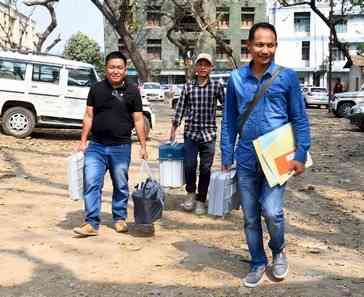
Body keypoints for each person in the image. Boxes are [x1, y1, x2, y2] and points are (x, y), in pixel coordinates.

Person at [221, 23, 311, 288]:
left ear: (276, 46)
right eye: (259, 44)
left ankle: (278, 249)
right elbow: (228, 120)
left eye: (270, 45)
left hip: (278, 154)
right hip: (247, 155)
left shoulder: (287, 77)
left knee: (272, 212)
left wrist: (301, 153)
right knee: (250, 216)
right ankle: (257, 261)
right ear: (248, 46)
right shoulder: (236, 79)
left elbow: (299, 118)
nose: (265, 50)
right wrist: (227, 154)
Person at [73, 51, 147, 237]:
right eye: (112, 67)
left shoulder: (132, 91)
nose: (115, 71)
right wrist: (83, 141)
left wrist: (143, 146)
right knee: (91, 182)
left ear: (125, 69)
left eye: (119, 67)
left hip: (121, 147)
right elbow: (89, 116)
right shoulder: (96, 89)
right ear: (106, 68)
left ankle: (120, 218)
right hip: (96, 146)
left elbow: (138, 120)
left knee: (121, 184)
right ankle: (91, 222)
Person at [170, 53, 225, 215]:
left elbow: (227, 105)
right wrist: (174, 128)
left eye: (206, 65)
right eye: (200, 64)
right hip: (191, 134)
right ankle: (190, 194)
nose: (202, 67)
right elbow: (180, 108)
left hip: (209, 134)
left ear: (211, 68)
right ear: (195, 68)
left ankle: (201, 200)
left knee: (206, 168)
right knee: (189, 165)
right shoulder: (188, 86)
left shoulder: (217, 86)